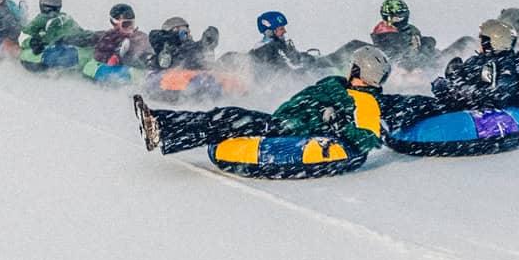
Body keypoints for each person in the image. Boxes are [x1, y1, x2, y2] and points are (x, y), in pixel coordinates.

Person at [135, 46, 437, 155]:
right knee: (227, 117)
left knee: (230, 117)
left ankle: (163, 127)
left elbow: (368, 138)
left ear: (360, 69)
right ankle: (165, 130)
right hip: (288, 120)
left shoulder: (364, 102)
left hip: (294, 129)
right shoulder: (342, 86)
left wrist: (337, 124)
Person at [369, 0, 439, 66]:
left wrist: (426, 43)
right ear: (388, 18)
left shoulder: (410, 29)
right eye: (397, 17)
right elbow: (398, 56)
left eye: (403, 16)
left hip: (423, 63)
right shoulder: (384, 34)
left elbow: (419, 45)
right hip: (403, 70)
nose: (401, 20)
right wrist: (422, 50)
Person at [20, 0, 94, 56]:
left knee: (91, 36)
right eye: (48, 8)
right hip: (61, 42)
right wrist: (32, 42)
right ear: (42, 6)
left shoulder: (65, 16)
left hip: (76, 38)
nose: (52, 12)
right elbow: (24, 35)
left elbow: (79, 30)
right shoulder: (40, 19)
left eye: (55, 9)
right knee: (75, 40)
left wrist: (86, 35)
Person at [149, 16, 219, 71]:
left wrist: (205, 43)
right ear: (175, 28)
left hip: (191, 75)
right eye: (185, 30)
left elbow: (192, 49)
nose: (188, 31)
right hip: (170, 76)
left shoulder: (187, 45)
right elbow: (157, 39)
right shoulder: (162, 41)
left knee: (228, 57)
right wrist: (175, 36)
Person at [93, 3, 148, 68]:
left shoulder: (139, 35)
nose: (130, 27)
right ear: (115, 23)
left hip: (142, 59)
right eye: (126, 24)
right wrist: (111, 58)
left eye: (132, 23)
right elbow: (99, 54)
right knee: (128, 47)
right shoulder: (109, 38)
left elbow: (147, 45)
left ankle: (155, 60)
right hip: (125, 62)